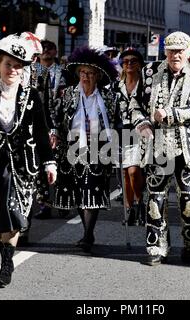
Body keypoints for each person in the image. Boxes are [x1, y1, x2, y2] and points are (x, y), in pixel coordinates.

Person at [0, 33, 57, 287]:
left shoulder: (31, 95)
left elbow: (41, 130)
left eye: (18, 65)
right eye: (8, 64)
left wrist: (49, 163)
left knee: (14, 211)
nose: (13, 70)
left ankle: (6, 265)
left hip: (22, 164)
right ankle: (4, 249)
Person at [132, 31, 190, 266]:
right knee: (155, 199)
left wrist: (171, 114)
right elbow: (135, 102)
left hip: (187, 149)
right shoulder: (149, 72)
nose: (175, 55)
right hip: (157, 148)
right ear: (165, 51)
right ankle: (156, 247)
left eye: (180, 51)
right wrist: (141, 122)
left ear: (188, 52)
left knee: (189, 201)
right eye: (171, 50)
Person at [49, 46, 118, 253]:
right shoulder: (68, 94)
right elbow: (55, 114)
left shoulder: (107, 96)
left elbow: (117, 120)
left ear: (97, 76)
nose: (85, 76)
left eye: (90, 73)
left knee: (93, 190)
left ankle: (88, 234)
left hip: (100, 147)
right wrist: (53, 132)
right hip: (72, 148)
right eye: (82, 72)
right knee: (79, 192)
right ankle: (88, 231)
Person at [34, 39, 71, 220]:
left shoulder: (65, 73)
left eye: (50, 48)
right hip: (38, 126)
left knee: (61, 166)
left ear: (56, 51)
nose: (46, 51)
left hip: (61, 127)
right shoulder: (32, 73)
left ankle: (62, 202)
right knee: (40, 167)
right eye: (43, 49)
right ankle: (44, 204)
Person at [115, 48, 146, 226]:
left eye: (133, 61)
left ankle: (140, 201)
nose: (129, 64)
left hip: (140, 132)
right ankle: (129, 209)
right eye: (125, 61)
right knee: (125, 173)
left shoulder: (146, 86)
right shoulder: (115, 86)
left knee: (134, 171)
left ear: (140, 64)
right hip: (120, 133)